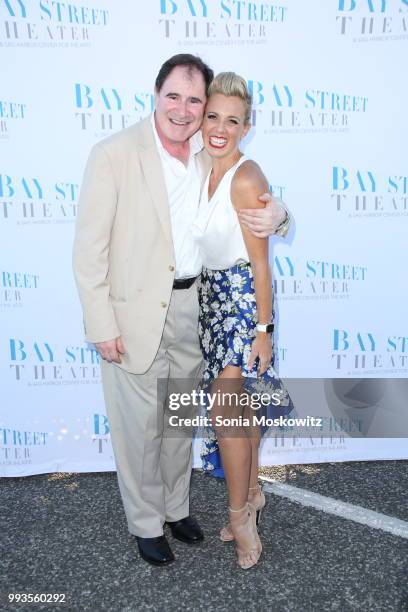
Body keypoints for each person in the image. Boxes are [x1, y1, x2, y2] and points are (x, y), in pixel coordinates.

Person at [73, 54, 290, 567]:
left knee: (177, 418)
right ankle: (146, 523)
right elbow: (88, 251)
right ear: (155, 94)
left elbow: (247, 193)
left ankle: (175, 508)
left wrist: (280, 214)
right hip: (133, 313)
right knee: (138, 426)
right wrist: (101, 323)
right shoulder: (114, 154)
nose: (186, 109)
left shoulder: (203, 148)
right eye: (176, 96)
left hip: (197, 304)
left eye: (196, 100)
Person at [192, 72, 293, 569]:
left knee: (225, 409)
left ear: (246, 127)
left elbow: (260, 264)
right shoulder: (197, 162)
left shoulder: (246, 176)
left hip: (240, 300)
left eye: (233, 120)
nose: (220, 127)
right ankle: (251, 494)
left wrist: (263, 329)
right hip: (209, 299)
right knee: (239, 409)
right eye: (213, 115)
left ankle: (240, 518)